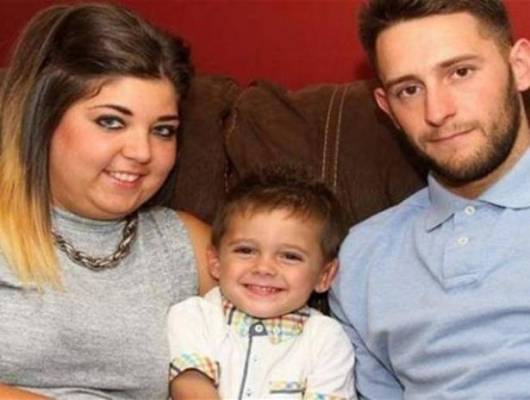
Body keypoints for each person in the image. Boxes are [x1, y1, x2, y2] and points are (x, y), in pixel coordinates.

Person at [0, 3, 216, 399]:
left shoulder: (187, 247)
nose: (142, 152)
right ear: (42, 119)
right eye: (111, 122)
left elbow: (279, 356)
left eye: (163, 130)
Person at [329, 0, 530, 398]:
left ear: (519, 66)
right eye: (409, 90)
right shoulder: (362, 257)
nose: (437, 112)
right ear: (387, 108)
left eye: (460, 72)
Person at [167, 166, 356, 399]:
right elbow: (190, 387)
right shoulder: (194, 316)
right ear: (215, 261)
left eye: (290, 256)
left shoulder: (327, 340)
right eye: (246, 250)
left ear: (324, 276)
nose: (264, 268)